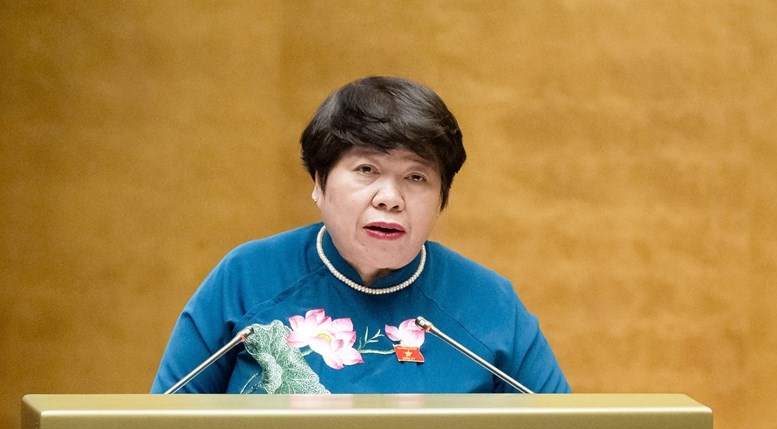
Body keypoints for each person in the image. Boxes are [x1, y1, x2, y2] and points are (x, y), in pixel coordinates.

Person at [151, 76, 570, 395]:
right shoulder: (246, 277)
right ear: (319, 181)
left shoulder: (490, 303)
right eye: (366, 169)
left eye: (416, 177)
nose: (390, 198)